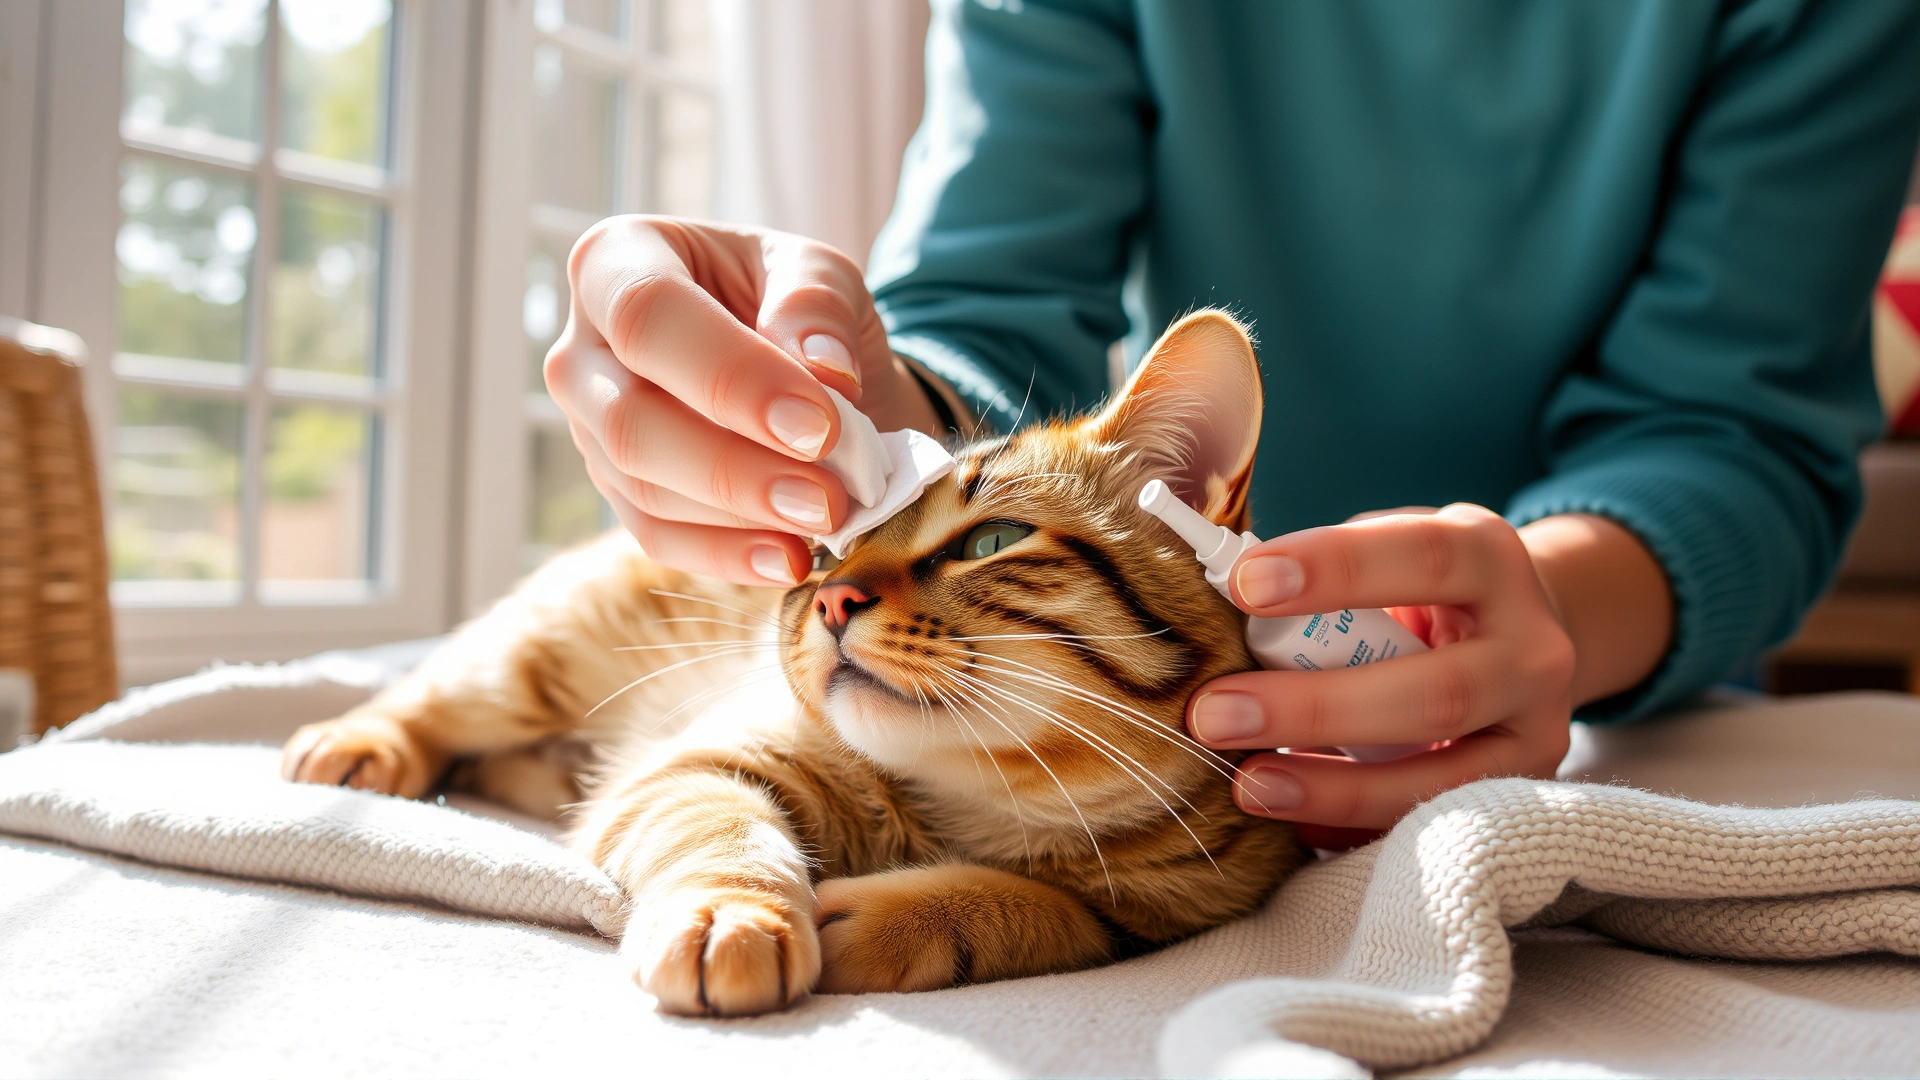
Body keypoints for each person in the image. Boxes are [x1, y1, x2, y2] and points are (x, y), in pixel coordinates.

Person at [542, 0, 1920, 847]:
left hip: (1623, 691)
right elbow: (988, 312)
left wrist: (1546, 618)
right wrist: (844, 414)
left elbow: (1734, 435)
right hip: (1130, 689)